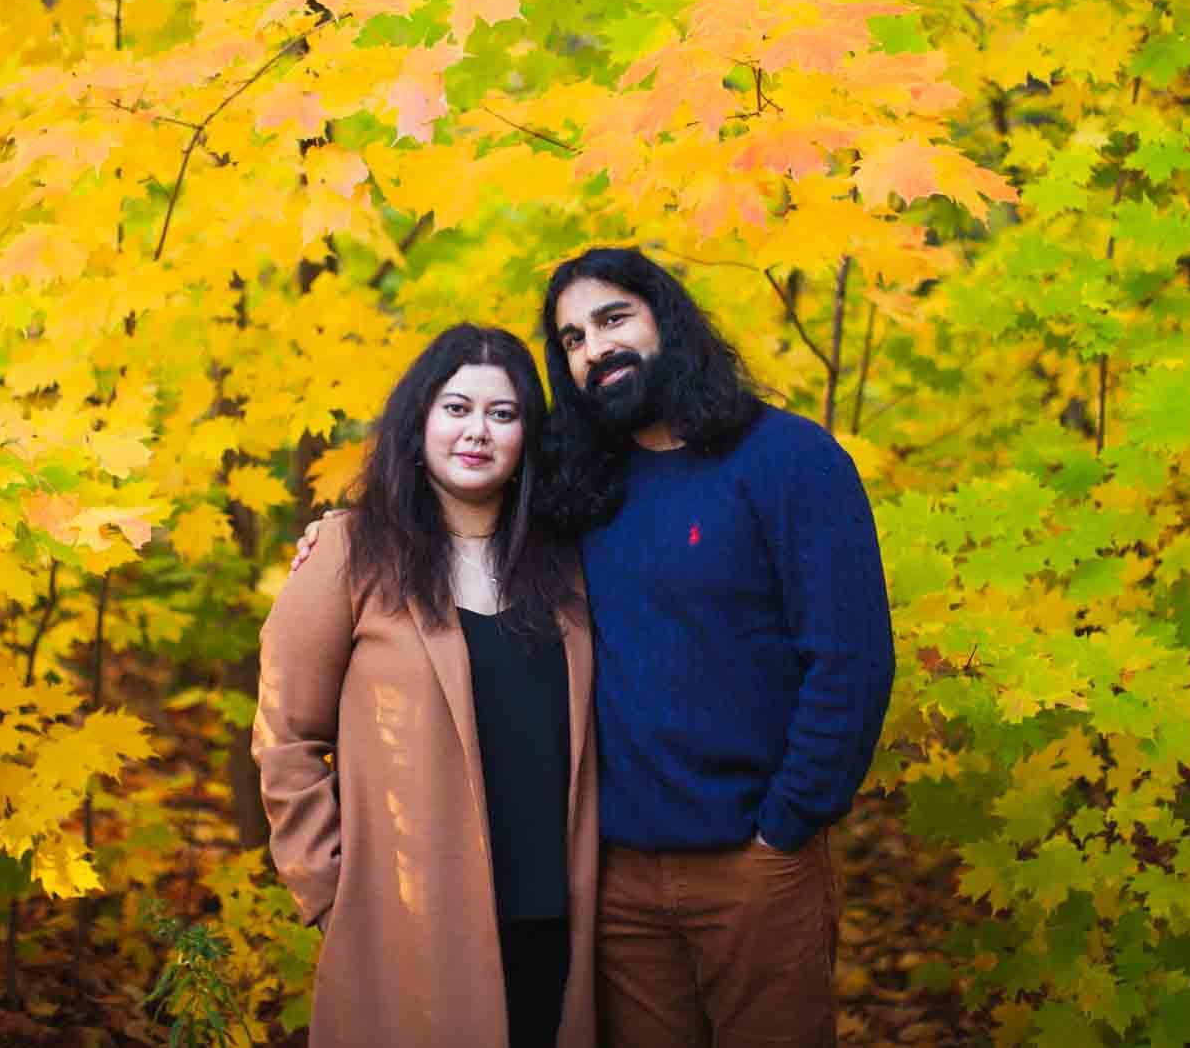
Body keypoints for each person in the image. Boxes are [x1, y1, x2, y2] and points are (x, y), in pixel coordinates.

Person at [540, 246, 893, 1048]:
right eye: (571, 340)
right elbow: (452, 485)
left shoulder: (789, 460)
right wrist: (342, 533)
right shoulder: (582, 484)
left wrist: (787, 823)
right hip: (619, 876)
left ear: (667, 316)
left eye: (612, 318)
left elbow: (851, 659)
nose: (594, 349)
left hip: (754, 863)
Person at [253, 324, 598, 1048]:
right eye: (457, 407)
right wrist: (327, 890)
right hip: (408, 918)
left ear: (527, 436)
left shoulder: (566, 565)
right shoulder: (350, 552)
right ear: (420, 423)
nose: (478, 430)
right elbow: (286, 734)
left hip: (551, 914)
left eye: (503, 414)